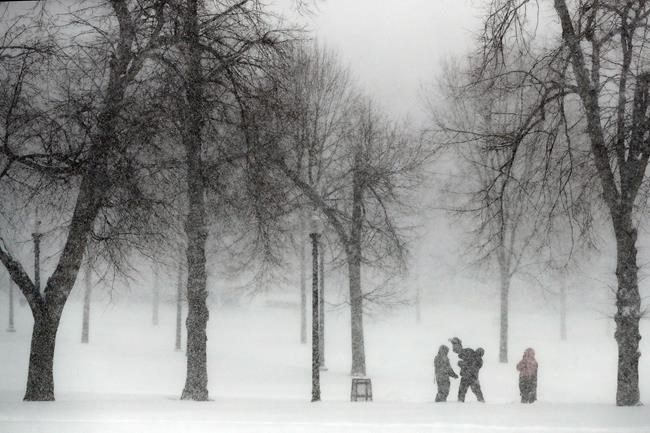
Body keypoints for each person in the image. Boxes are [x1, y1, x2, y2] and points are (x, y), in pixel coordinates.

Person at [449, 337, 485, 402]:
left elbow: (468, 364)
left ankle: (460, 402)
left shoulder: (471, 354)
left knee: (462, 391)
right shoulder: (479, 360)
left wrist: (461, 363)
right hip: (473, 378)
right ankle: (481, 401)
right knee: (477, 391)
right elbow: (471, 365)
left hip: (467, 376)